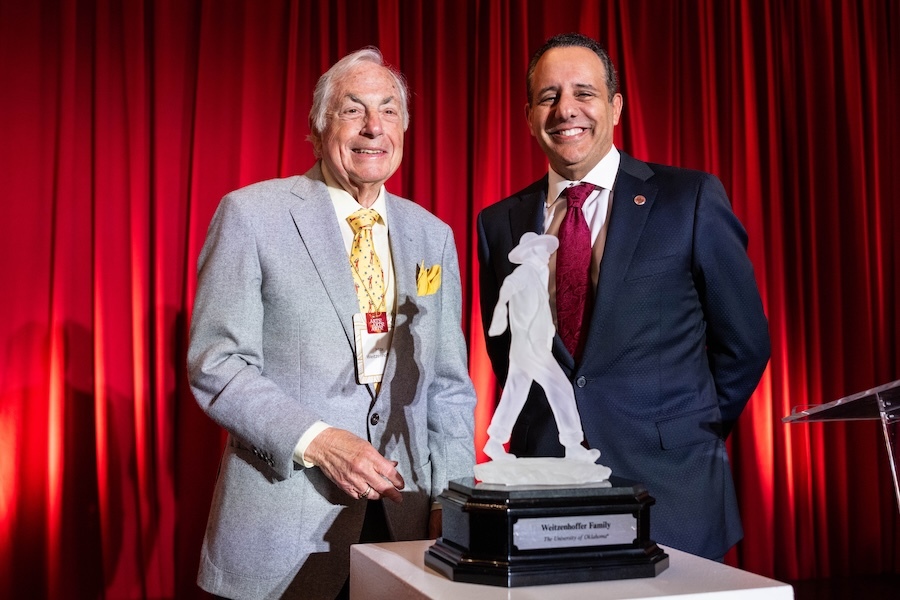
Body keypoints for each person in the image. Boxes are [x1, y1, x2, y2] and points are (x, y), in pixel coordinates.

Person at [188, 47, 476, 600]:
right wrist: (319, 441)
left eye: (389, 111)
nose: (374, 127)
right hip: (285, 524)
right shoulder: (252, 215)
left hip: (404, 529)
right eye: (353, 110)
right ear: (318, 129)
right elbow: (217, 364)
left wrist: (450, 503)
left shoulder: (432, 235)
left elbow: (447, 386)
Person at [476, 33, 770, 561]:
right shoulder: (499, 224)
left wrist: (684, 429)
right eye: (548, 97)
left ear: (615, 106)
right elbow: (509, 356)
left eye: (583, 93)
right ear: (528, 116)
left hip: (672, 492)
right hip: (550, 493)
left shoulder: (690, 198)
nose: (566, 109)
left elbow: (744, 343)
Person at [483, 232, 599, 464]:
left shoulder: (537, 275)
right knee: (561, 389)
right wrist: (501, 309)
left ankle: (494, 442)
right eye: (542, 249)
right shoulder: (525, 272)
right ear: (531, 252)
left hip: (529, 345)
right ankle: (573, 444)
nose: (547, 254)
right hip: (530, 346)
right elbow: (508, 285)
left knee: (515, 393)